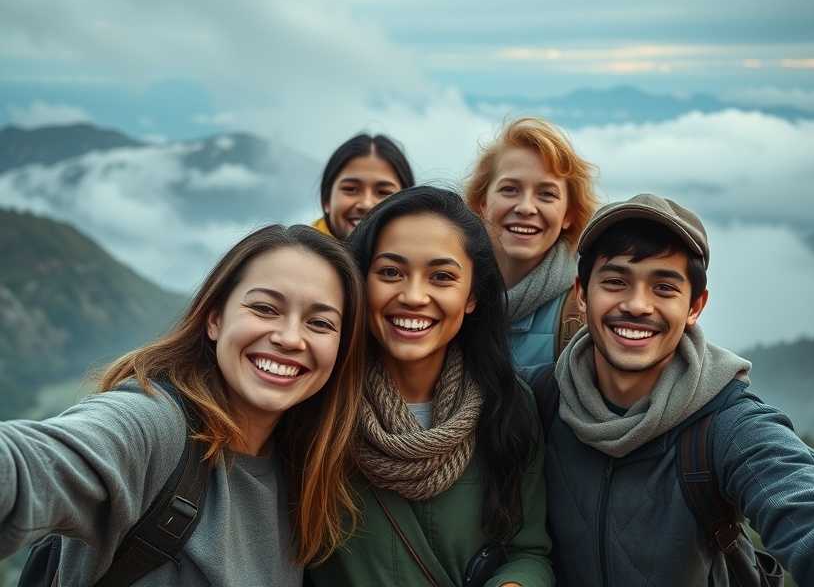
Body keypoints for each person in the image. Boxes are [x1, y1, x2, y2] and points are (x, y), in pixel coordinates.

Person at [0, 224, 367, 585]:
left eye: (319, 323)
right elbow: (30, 465)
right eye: (265, 308)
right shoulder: (155, 426)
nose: (289, 338)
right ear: (215, 319)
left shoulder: (307, 472)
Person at [542, 194, 814, 586]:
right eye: (615, 282)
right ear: (581, 294)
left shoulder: (726, 425)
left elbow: (810, 515)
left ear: (695, 306)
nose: (636, 305)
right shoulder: (536, 401)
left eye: (664, 288)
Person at [308, 186, 553, 587]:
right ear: (360, 281)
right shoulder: (321, 403)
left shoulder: (507, 405)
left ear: (472, 295)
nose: (414, 296)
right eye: (390, 272)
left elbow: (529, 551)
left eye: (441, 277)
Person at [465, 117, 598, 385]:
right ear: (482, 203)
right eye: (510, 189)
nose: (526, 207)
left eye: (546, 194)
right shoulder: (449, 293)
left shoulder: (585, 312)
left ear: (569, 215)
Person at [312, 133, 415, 240]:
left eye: (383, 192)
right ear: (326, 200)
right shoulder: (297, 254)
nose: (367, 204)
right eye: (350, 189)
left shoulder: (424, 253)